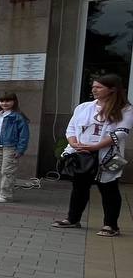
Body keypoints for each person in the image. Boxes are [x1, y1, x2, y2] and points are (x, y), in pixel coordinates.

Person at [54, 74, 132, 236]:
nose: (94, 90)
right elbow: (72, 128)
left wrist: (95, 147)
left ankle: (111, 225)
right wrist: (74, 143)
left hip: (107, 156)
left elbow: (121, 133)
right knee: (79, 187)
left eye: (99, 87)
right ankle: (73, 219)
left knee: (109, 189)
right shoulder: (83, 107)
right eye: (93, 86)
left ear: (112, 89)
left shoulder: (125, 109)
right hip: (82, 154)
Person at [0, 92, 30, 203]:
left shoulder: (17, 116)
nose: (4, 103)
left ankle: (5, 194)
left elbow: (24, 135)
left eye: (8, 101)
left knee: (7, 171)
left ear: (14, 102)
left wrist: (20, 149)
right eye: (2, 101)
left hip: (10, 147)